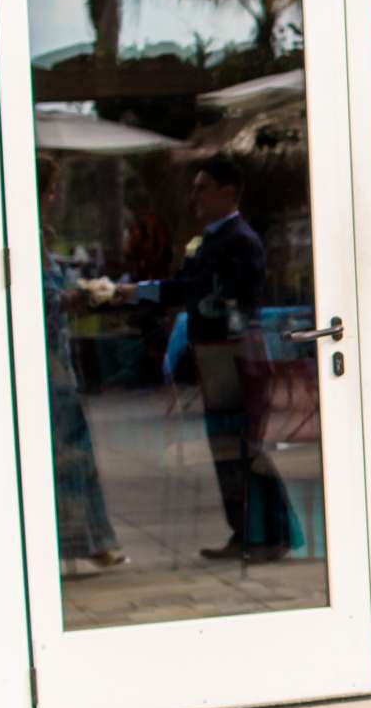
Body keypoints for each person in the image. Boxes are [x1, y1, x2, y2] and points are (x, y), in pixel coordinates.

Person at [121, 157, 297, 562]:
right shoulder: (217, 238)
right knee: (230, 445)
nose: (194, 196)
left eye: (203, 187)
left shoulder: (238, 240)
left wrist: (143, 292)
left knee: (238, 445)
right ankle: (250, 531)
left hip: (231, 356)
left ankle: (262, 533)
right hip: (216, 354)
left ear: (227, 192)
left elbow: (202, 292)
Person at [34, 157, 127, 581]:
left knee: (73, 449)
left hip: (58, 358)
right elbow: (37, 300)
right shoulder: (22, 235)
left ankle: (91, 540)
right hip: (44, 364)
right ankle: (77, 541)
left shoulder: (41, 236)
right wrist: (78, 298)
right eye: (50, 189)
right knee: (64, 452)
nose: (53, 198)